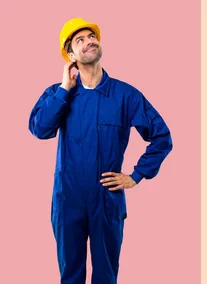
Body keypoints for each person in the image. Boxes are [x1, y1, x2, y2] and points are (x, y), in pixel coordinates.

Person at [28, 18, 173, 284]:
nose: (89, 41)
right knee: (70, 275)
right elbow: (40, 129)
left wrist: (136, 175)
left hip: (107, 200)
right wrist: (64, 89)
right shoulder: (58, 93)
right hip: (68, 198)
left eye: (91, 36)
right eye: (80, 40)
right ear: (70, 56)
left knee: (106, 276)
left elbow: (162, 137)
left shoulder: (125, 95)